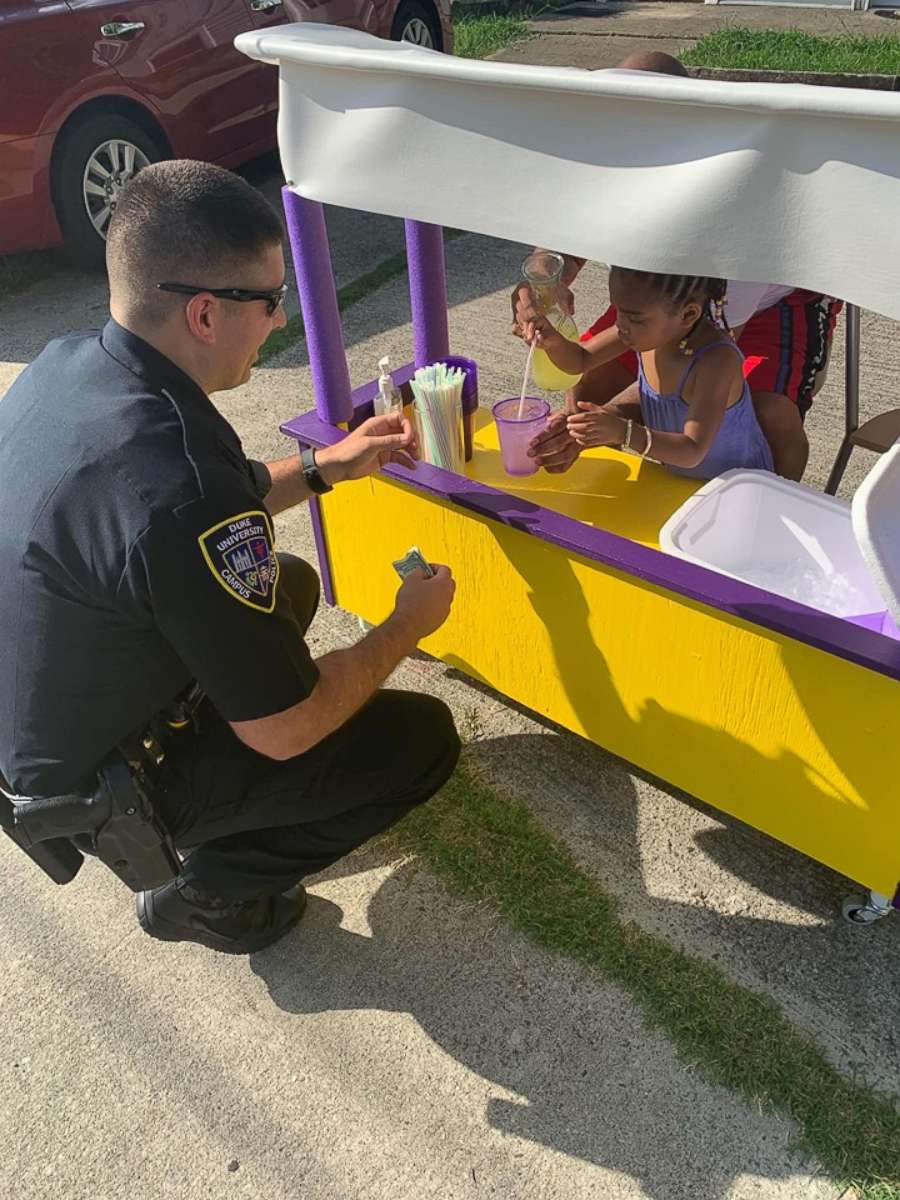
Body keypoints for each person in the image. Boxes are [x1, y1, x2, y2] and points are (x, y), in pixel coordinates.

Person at [0, 160, 460, 956]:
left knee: (286, 582)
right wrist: (402, 629)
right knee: (423, 740)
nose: (280, 319)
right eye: (269, 299)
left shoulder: (75, 366)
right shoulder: (178, 487)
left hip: (41, 716)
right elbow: (287, 731)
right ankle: (205, 894)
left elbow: (217, 501)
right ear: (206, 314)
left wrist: (327, 467)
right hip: (103, 780)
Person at [515, 50, 842, 482]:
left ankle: (776, 514)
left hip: (770, 303)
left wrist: (614, 426)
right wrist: (540, 286)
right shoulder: (618, 157)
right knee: (585, 387)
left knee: (771, 416)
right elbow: (558, 259)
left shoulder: (735, 214)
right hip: (658, 292)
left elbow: (691, 374)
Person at [526, 269, 774, 477]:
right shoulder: (646, 332)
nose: (621, 323)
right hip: (680, 482)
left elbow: (693, 450)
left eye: (633, 317)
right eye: (619, 311)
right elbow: (579, 360)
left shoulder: (717, 361)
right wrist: (551, 340)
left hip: (738, 488)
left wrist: (623, 431)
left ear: (688, 314)